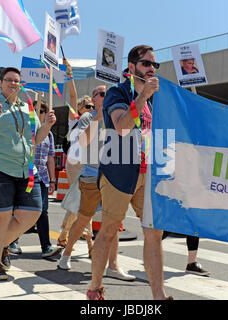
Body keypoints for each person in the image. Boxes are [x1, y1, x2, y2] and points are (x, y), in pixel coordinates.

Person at [87, 45, 171, 300]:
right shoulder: (117, 92)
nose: (152, 69)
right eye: (146, 63)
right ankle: (94, 289)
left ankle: (159, 295)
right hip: (119, 173)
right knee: (110, 229)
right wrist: (142, 96)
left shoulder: (155, 100)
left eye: (154, 65)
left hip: (147, 173)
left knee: (154, 233)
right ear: (132, 67)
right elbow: (121, 127)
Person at [0, 67, 56, 281]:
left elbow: (37, 138)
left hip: (25, 169)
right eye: (9, 80)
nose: (13, 84)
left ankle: (1, 244)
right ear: (1, 82)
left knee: (33, 212)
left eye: (17, 81)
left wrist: (48, 125)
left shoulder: (27, 107)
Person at [58, 85, 135, 281]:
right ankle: (66, 254)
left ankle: (113, 266)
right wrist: (96, 119)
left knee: (113, 221)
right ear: (94, 98)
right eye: (101, 94)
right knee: (83, 219)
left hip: (113, 175)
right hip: (92, 175)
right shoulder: (88, 117)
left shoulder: (118, 114)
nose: (105, 96)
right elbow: (81, 143)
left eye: (108, 94)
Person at [57, 62, 94, 250]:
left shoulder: (97, 120)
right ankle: (89, 243)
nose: (90, 108)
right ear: (79, 108)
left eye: (92, 106)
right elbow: (72, 95)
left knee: (81, 201)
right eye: (87, 106)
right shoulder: (75, 120)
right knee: (81, 201)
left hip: (91, 165)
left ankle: (64, 233)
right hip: (75, 164)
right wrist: (69, 75)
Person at [34, 100, 63, 258]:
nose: (41, 113)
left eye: (43, 110)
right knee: (20, 210)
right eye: (38, 110)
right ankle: (11, 242)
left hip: (43, 176)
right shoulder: (28, 129)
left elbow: (51, 158)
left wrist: (53, 180)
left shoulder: (50, 134)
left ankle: (46, 246)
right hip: (27, 175)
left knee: (42, 211)